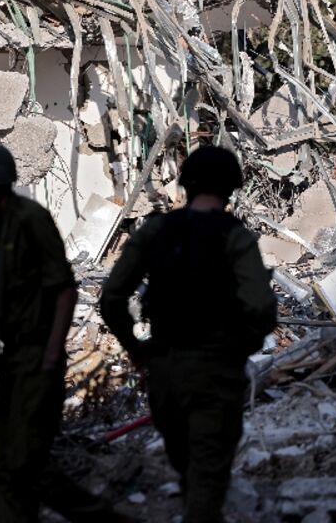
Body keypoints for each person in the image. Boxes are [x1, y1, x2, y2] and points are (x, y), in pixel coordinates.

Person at [101, 146, 276, 523]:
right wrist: (237, 350)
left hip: (165, 371)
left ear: (187, 185)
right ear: (231, 189)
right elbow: (262, 309)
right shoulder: (235, 237)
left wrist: (136, 348)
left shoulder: (155, 231)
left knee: (186, 467)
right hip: (215, 375)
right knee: (207, 479)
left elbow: (113, 297)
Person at [0, 142, 125, 522]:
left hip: (34, 359)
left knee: (25, 464)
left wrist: (49, 355)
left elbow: (64, 288)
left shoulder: (30, 220)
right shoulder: (6, 225)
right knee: (9, 465)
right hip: (14, 361)